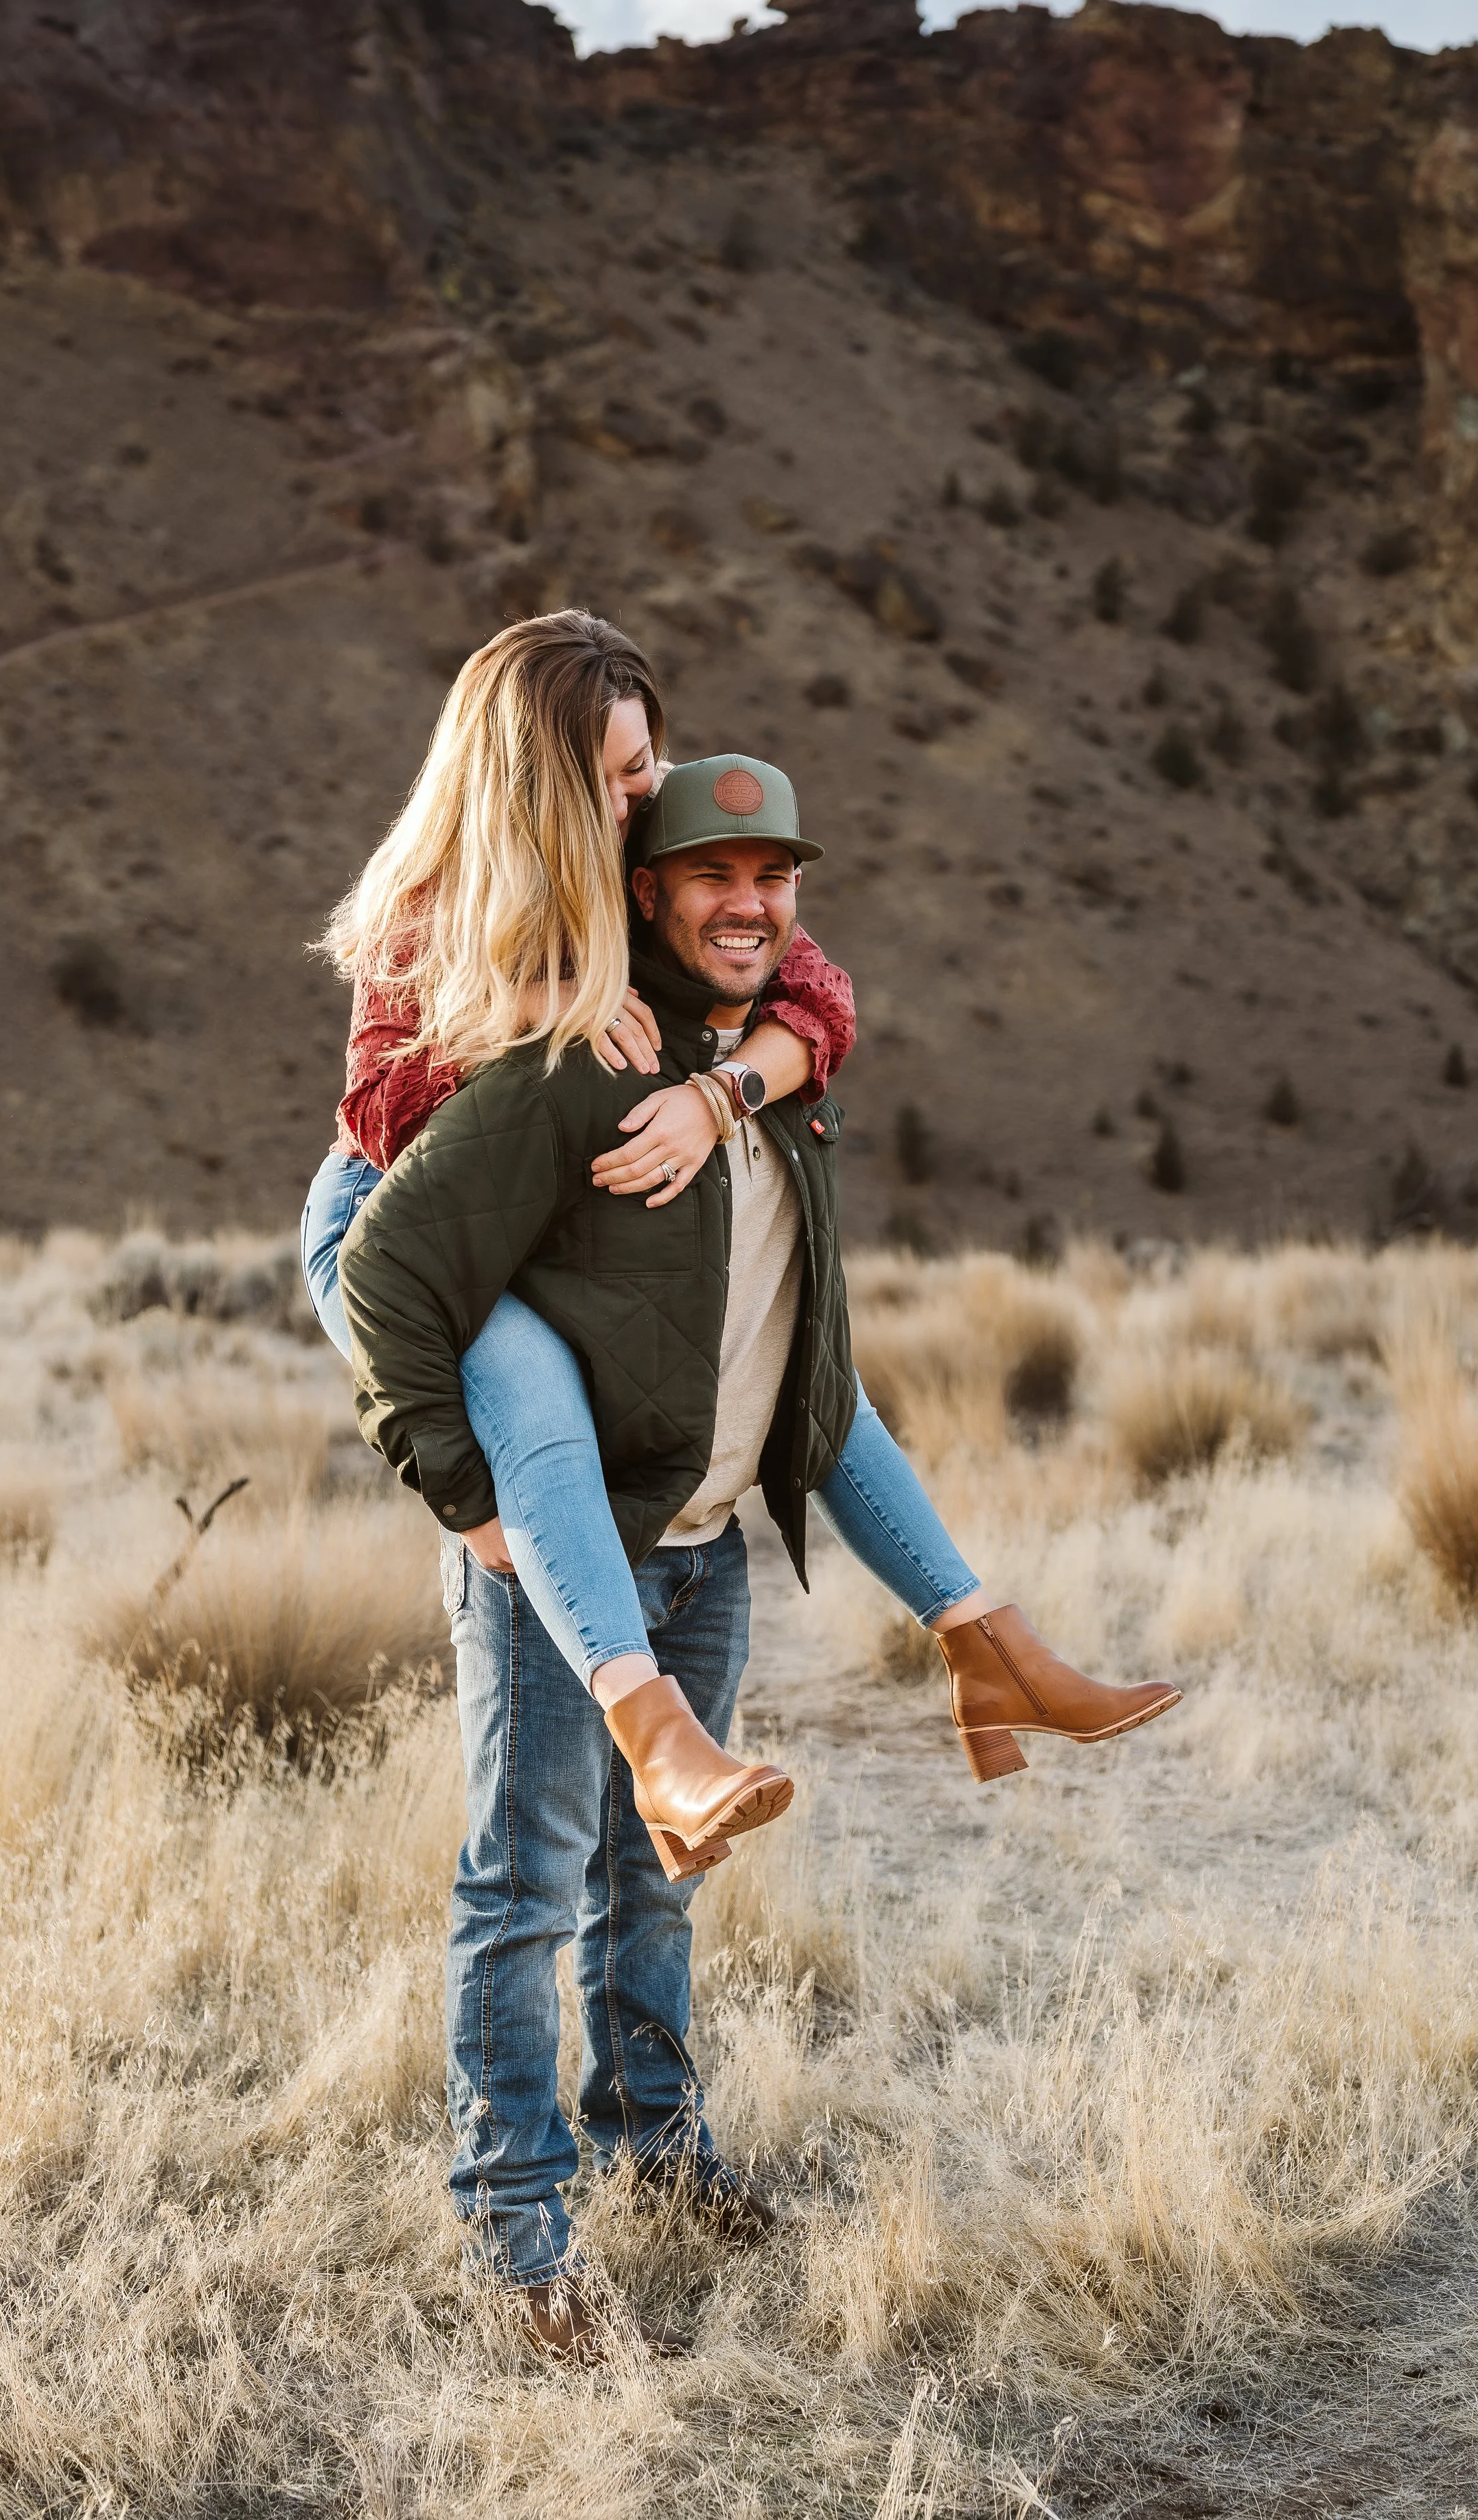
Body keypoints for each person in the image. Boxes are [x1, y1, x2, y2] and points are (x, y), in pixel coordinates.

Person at [337, 748, 1180, 2355]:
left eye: (771, 876)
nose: (746, 902)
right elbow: (382, 1273)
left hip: (702, 1541)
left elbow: (786, 1326)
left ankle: (657, 2149)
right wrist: (466, 1500)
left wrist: (754, 1073)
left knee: (659, 1879)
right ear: (642, 889)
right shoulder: (579, 1061)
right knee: (522, 1888)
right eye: (710, 874)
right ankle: (518, 2234)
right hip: (562, 1561)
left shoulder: (772, 1068)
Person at [304, 611, 1167, 1829]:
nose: (645, 791)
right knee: (536, 1396)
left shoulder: (634, 851)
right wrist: (532, 1003)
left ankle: (985, 1641)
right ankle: (651, 1728)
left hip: (526, 1190)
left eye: (647, 759)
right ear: (539, 782)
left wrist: (718, 1098)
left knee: (803, 1361)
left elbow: (818, 999)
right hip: (387, 1208)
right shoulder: (434, 901)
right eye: (619, 774)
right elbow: (384, 1116)